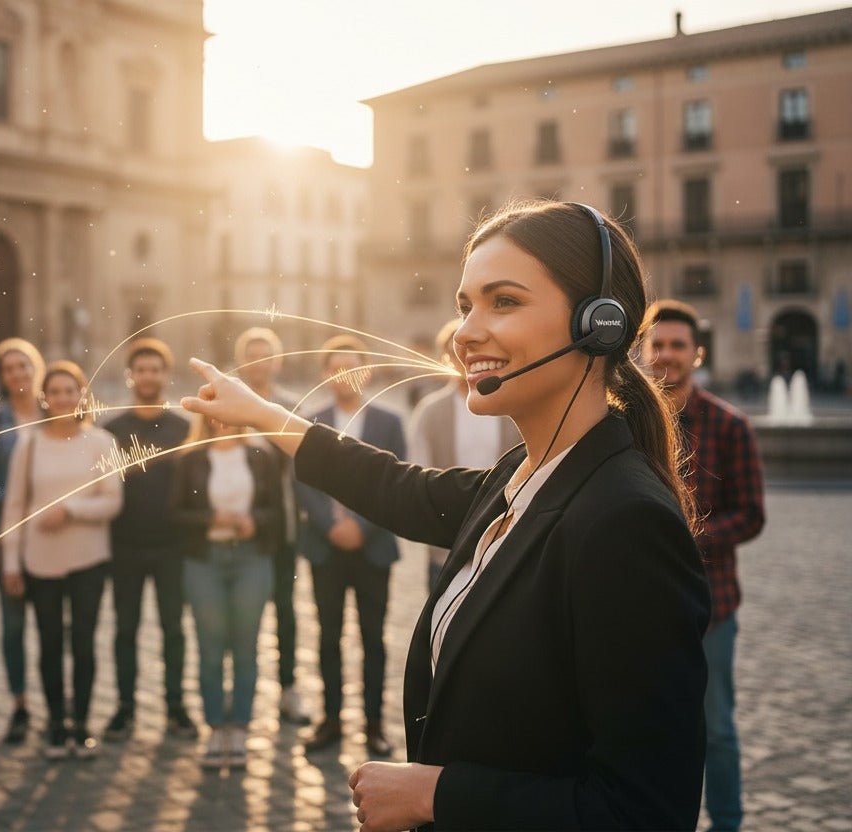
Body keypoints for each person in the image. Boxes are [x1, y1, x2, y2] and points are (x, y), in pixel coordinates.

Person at [181, 200, 711, 831]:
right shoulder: (521, 476)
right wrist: (266, 415)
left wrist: (438, 795)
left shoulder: (627, 522)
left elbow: (646, 813)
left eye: (503, 302)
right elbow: (399, 487)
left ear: (598, 324)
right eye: (465, 306)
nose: (464, 334)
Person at [644, 299, 765, 832]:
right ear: (644, 352)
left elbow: (751, 514)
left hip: (713, 606)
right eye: (658, 345)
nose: (666, 355)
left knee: (716, 729)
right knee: (647, 728)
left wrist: (687, 537)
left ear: (697, 353)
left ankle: (727, 822)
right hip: (641, 607)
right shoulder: (623, 423)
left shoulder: (730, 425)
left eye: (678, 345)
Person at [0, 361, 122, 760]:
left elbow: (112, 502)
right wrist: (11, 563)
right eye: (56, 392)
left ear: (82, 396)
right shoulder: (29, 445)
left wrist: (70, 510)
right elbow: (14, 506)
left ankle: (81, 723)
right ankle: (55, 724)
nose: (64, 398)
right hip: (40, 560)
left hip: (89, 558)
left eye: (71, 391)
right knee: (49, 643)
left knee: (84, 644)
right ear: (45, 398)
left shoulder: (102, 442)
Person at [297, 335, 406, 757]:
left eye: (353, 366)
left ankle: (374, 724)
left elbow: (398, 481)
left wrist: (361, 526)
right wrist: (331, 525)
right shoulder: (311, 420)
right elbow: (301, 481)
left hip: (373, 546)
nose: (345, 375)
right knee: (328, 637)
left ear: (367, 371)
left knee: (373, 638)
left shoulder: (389, 422)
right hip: (325, 546)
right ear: (325, 374)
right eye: (337, 367)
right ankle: (330, 720)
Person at [170, 413, 283, 768]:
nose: (221, 420)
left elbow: (278, 511)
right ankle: (216, 727)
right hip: (205, 560)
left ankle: (240, 729)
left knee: (246, 646)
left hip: (251, 558)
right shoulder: (190, 459)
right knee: (210, 648)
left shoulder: (261, 456)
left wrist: (255, 521)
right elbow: (174, 514)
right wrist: (211, 519)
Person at [101, 338, 196, 742]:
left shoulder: (184, 428)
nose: (148, 376)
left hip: (173, 546)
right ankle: (124, 708)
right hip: (124, 545)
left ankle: (176, 706)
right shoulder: (111, 431)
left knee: (174, 630)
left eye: (155, 369)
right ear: (131, 376)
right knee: (125, 630)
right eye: (141, 370)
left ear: (165, 375)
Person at [407, 318, 518, 591]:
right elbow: (420, 472)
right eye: (456, 351)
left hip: (504, 539)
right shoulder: (430, 411)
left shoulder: (511, 406)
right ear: (445, 358)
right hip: (448, 542)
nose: (465, 358)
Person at [233, 326, 309, 725]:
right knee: (240, 613)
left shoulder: (292, 407)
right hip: (237, 528)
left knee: (285, 610)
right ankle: (240, 692)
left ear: (277, 362)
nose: (259, 364)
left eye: (266, 356)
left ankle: (288, 688)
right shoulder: (228, 405)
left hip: (281, 526)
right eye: (252, 355)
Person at [0, 338, 45, 743]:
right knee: (13, 623)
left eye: (24, 365)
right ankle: (19, 704)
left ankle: (58, 702)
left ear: (36, 369)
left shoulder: (58, 414)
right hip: (7, 536)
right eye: (9, 368)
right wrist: (21, 503)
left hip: (55, 536)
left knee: (54, 623)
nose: (18, 373)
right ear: (2, 377)